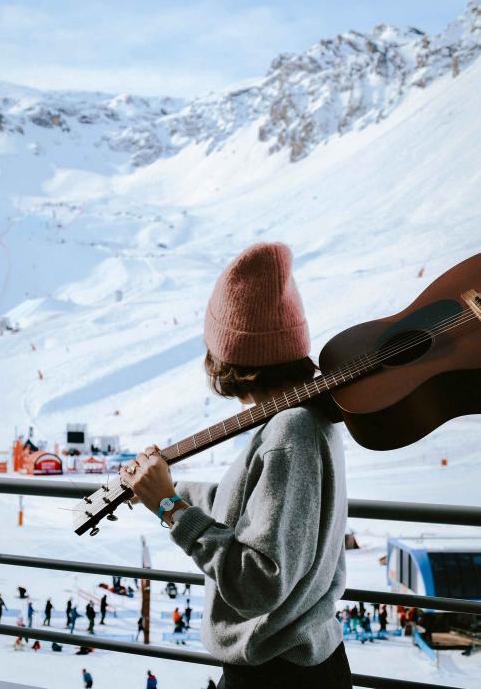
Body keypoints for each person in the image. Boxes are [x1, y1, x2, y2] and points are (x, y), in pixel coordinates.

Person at [119, 243, 352, 688]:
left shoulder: (290, 434)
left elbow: (257, 585)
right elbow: (251, 508)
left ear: (231, 353)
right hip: (298, 665)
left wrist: (171, 509)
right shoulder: (306, 419)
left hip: (279, 675)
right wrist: (166, 489)